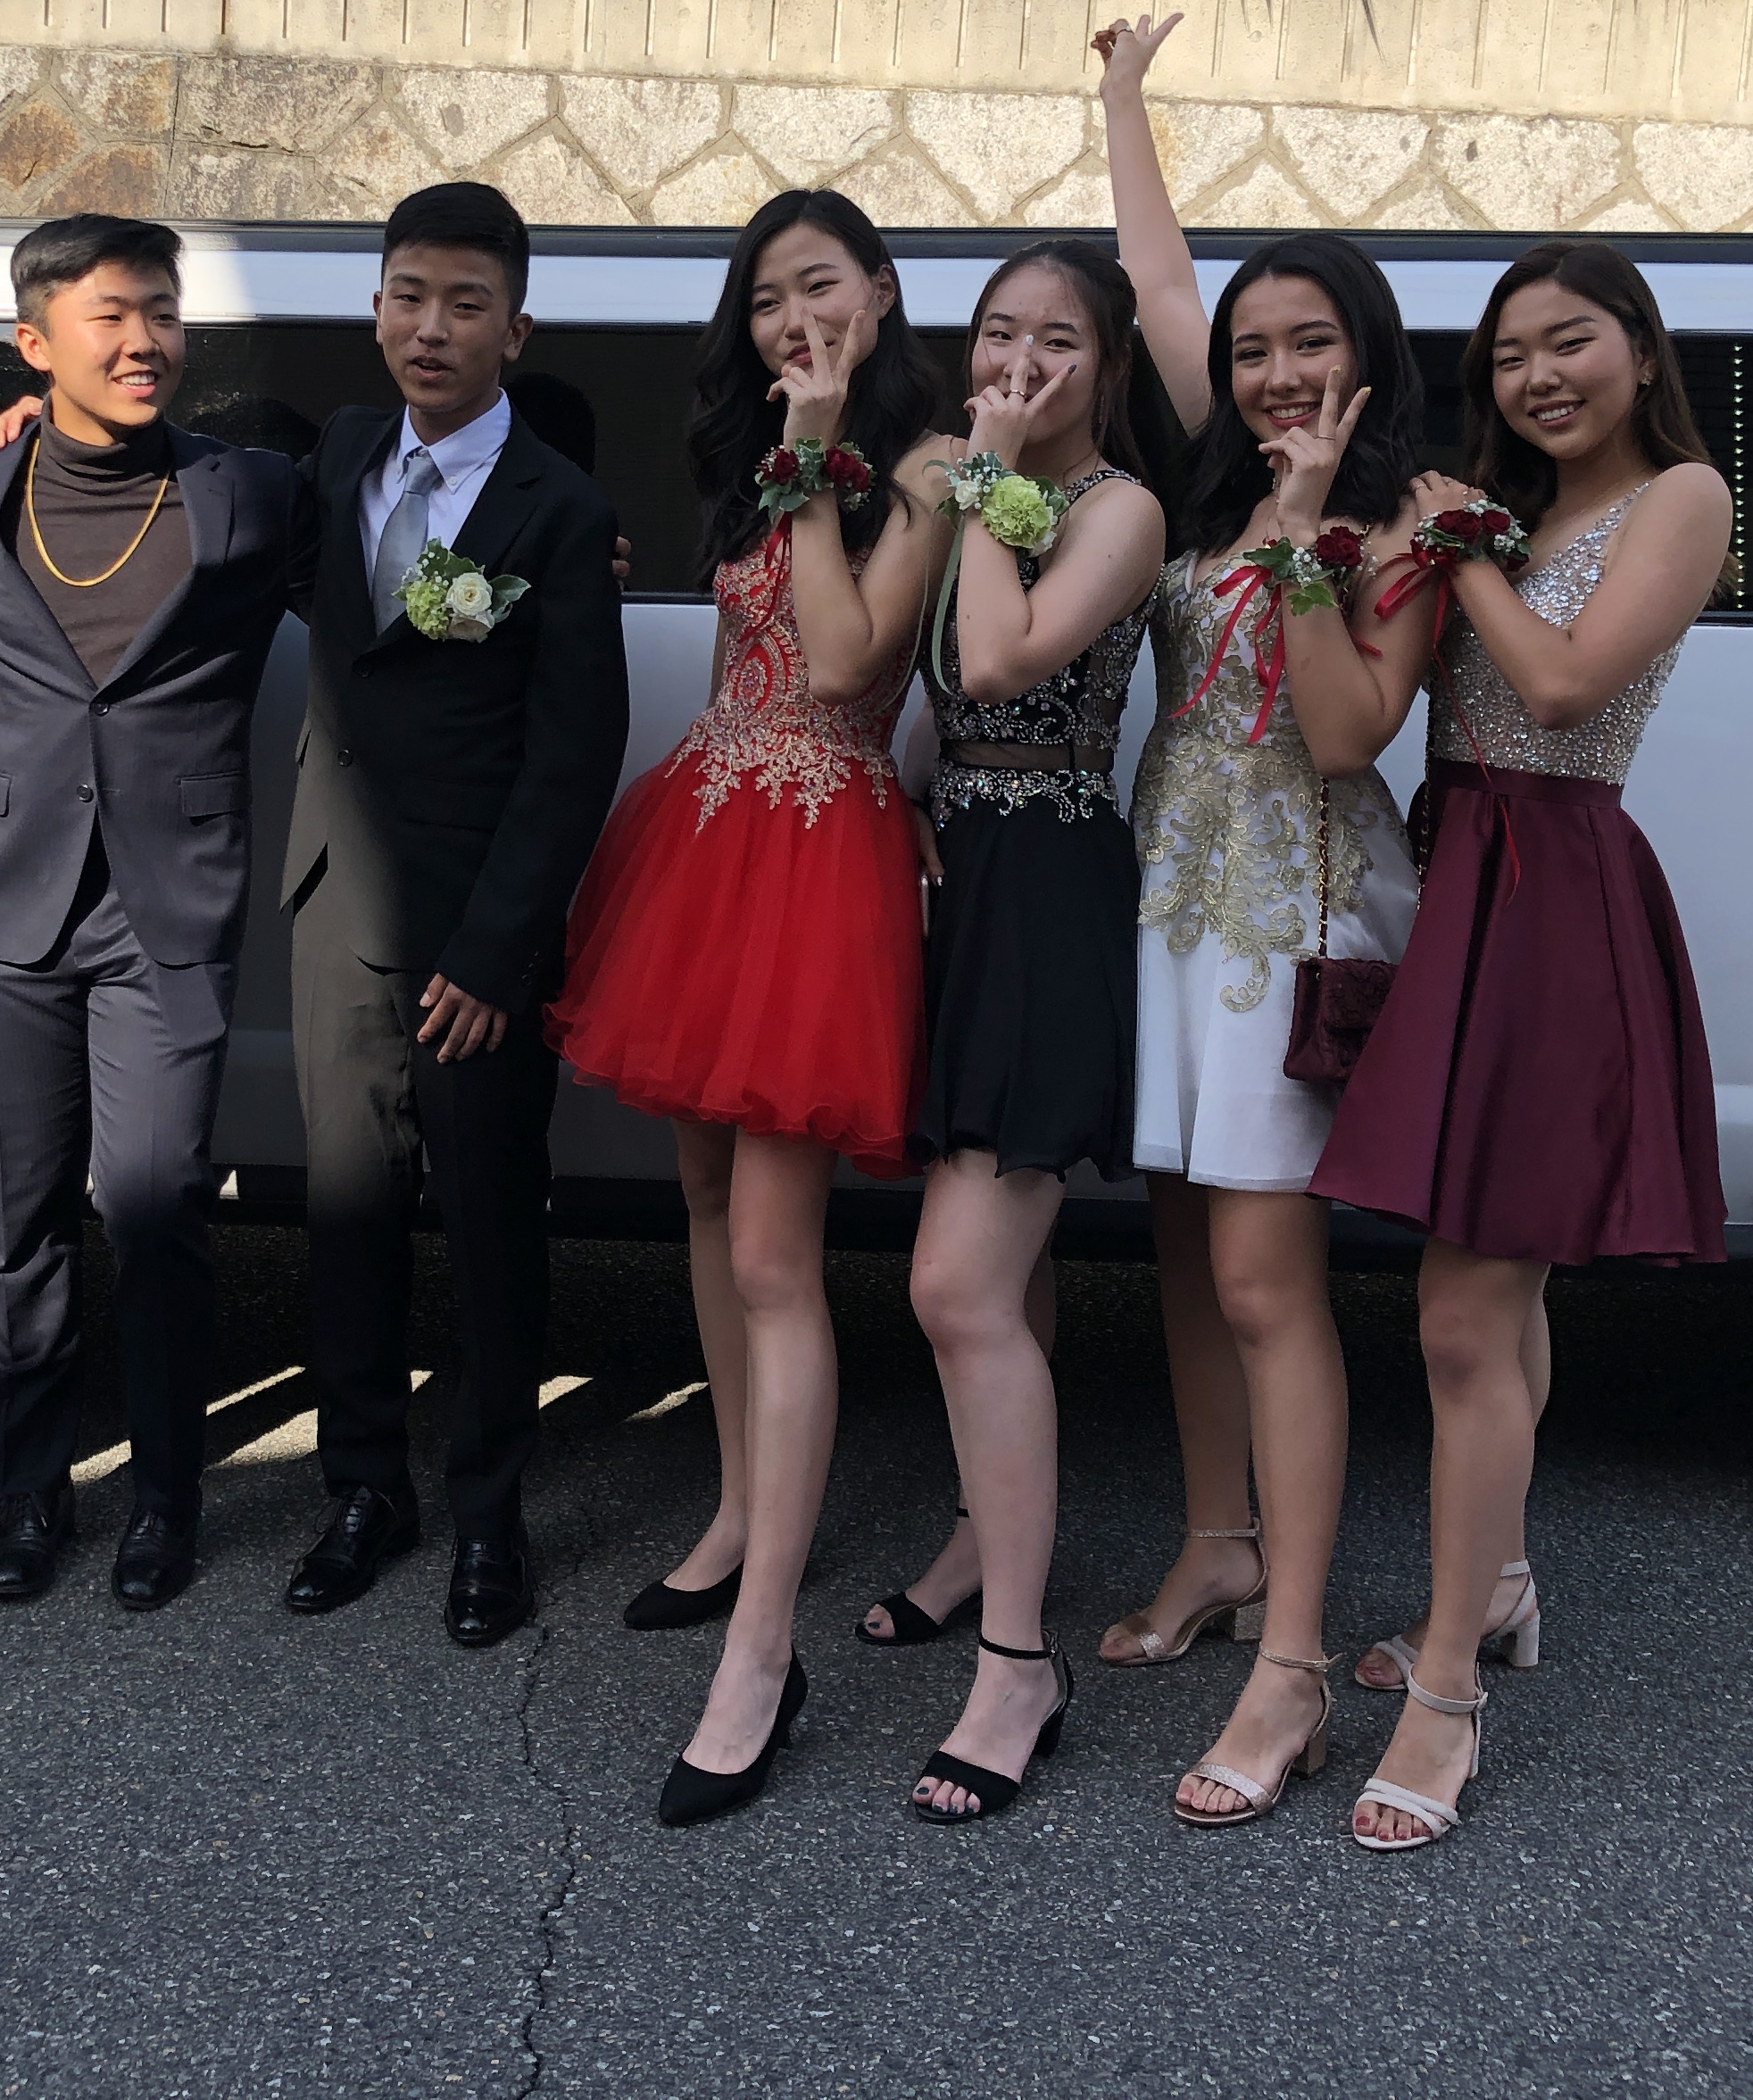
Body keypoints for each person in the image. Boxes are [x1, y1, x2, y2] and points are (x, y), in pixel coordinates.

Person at [1317, 238, 1735, 1851]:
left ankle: (1445, 1694)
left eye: (1569, 342)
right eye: (1507, 357)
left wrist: (1457, 544)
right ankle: (1493, 1587)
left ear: (1640, 346)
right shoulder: (1520, 515)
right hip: (1461, 882)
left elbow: (1558, 690)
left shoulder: (1680, 496)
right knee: (1498, 1290)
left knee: (1461, 1318)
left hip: (1557, 893)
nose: (1539, 376)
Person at [546, 188, 951, 1826]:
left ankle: (766, 1648)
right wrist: (790, 456)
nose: (795, 321)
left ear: (881, 293)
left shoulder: (932, 467)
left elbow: (849, 668)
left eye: (820, 287)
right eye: (770, 299)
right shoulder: (768, 452)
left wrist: (818, 452)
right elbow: (745, 669)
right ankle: (731, 1512)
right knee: (708, 1206)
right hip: (714, 830)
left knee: (780, 1255)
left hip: (820, 849)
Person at [0, 215, 316, 1615]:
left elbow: (382, 599)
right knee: (20, 1225)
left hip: (171, 904)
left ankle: (165, 1497)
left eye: (161, 310)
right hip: (4, 903)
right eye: (109, 315)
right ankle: (28, 1490)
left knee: (156, 1209)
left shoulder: (252, 492)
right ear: (35, 342)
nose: (145, 339)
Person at [280, 184, 629, 1648]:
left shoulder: (563, 508)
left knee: (490, 1229)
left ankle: (490, 1510)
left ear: (515, 329)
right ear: (375, 309)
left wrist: (498, 955)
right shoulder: (341, 454)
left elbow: (574, 753)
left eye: (465, 304)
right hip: (334, 905)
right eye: (409, 296)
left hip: (475, 941)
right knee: (345, 1216)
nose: (432, 327)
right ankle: (364, 1487)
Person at [1119, 234, 1433, 1834]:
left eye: (1311, 341)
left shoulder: (1411, 521)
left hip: (1293, 916)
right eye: (1252, 350)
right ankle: (1216, 1544)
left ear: (1367, 351)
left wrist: (1308, 537)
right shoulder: (1216, 478)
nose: (1275, 374)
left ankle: (1295, 1661)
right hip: (1171, 900)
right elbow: (1159, 283)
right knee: (1184, 1247)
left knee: (1263, 1279)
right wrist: (1120, 114)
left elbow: (1348, 730)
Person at [896, 242, 1177, 1822]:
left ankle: (1020, 1666)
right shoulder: (969, 484)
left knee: (955, 1284)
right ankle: (972, 1542)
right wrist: (900, 794)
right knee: (1007, 1270)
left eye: (1057, 341)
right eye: (998, 334)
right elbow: (940, 689)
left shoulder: (1119, 509)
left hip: (1056, 886)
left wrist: (986, 476)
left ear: (1107, 367)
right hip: (965, 870)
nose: (1018, 362)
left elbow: (1006, 655)